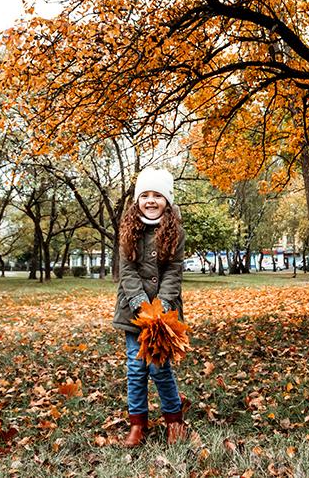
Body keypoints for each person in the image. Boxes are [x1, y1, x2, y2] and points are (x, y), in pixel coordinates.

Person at [113, 167, 189, 446]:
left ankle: (174, 421)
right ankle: (138, 424)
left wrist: (162, 305)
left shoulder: (176, 232)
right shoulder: (128, 230)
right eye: (145, 195)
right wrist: (141, 305)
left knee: (159, 368)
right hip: (132, 312)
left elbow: (173, 271)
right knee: (136, 368)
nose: (151, 200)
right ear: (137, 200)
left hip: (164, 314)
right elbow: (127, 271)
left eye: (157, 195)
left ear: (167, 200)